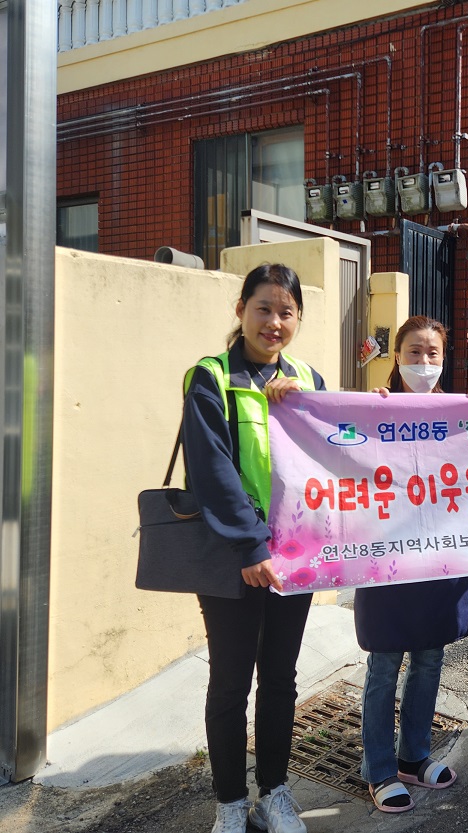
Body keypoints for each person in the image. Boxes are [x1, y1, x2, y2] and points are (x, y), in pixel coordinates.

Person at [183, 263, 326, 833]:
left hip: (294, 558)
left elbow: (334, 452)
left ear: (298, 318)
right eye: (263, 308)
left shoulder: (308, 378)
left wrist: (299, 404)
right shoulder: (211, 378)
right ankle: (229, 803)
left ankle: (274, 792)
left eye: (286, 312)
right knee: (230, 682)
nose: (274, 322)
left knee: (281, 679)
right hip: (235, 559)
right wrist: (249, 547)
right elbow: (212, 470)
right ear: (240, 309)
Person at [356, 315, 468, 812]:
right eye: (414, 352)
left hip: (440, 559)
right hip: (387, 558)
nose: (423, 362)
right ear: (396, 356)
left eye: (433, 353)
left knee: (429, 658)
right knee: (385, 662)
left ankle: (414, 757)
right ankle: (379, 769)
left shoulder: (460, 412)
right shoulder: (373, 411)